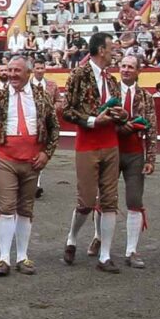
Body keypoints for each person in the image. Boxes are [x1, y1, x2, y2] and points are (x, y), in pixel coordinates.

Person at [0, 54, 57, 277]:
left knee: (26, 208)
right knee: (6, 207)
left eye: (16, 71)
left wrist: (46, 154)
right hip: (7, 159)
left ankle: (22, 256)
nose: (11, 74)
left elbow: (54, 128)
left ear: (28, 73)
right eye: (9, 70)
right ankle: (4, 257)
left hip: (32, 161)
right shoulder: (0, 97)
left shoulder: (42, 96)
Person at [58, 35, 123, 273]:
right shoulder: (79, 74)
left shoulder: (112, 80)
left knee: (109, 201)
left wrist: (121, 115)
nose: (114, 52)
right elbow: (66, 110)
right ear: (101, 50)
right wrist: (94, 121)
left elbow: (118, 110)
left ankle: (105, 255)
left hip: (110, 143)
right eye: (111, 48)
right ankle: (72, 237)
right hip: (87, 143)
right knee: (86, 201)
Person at [108, 57, 156, 267]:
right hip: (110, 151)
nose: (126, 70)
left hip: (135, 154)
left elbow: (151, 128)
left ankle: (131, 250)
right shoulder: (110, 92)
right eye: (123, 66)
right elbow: (102, 121)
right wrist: (120, 128)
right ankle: (99, 238)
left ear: (138, 71)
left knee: (135, 200)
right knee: (105, 199)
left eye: (130, 67)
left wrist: (150, 158)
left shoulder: (146, 97)